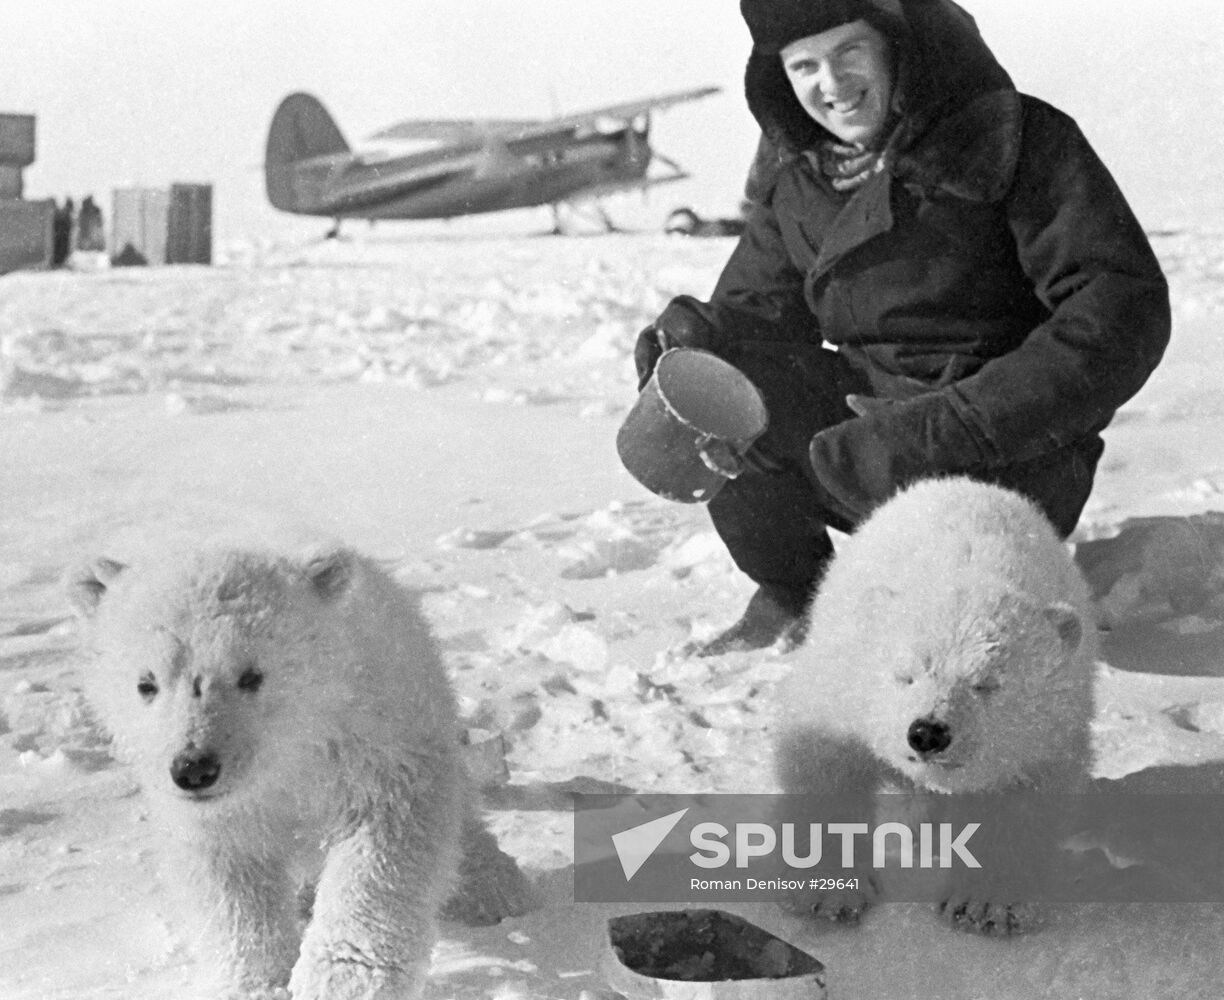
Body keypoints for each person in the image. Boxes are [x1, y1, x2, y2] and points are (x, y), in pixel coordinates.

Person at [633, 0, 1170, 656]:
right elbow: (757, 317)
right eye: (805, 65)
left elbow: (1119, 312)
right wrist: (695, 340)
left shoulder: (1012, 139)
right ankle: (794, 592)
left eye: (848, 52)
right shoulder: (801, 177)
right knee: (730, 381)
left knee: (947, 642)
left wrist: (949, 428)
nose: (829, 84)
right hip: (863, 448)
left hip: (1004, 454)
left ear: (896, 48)